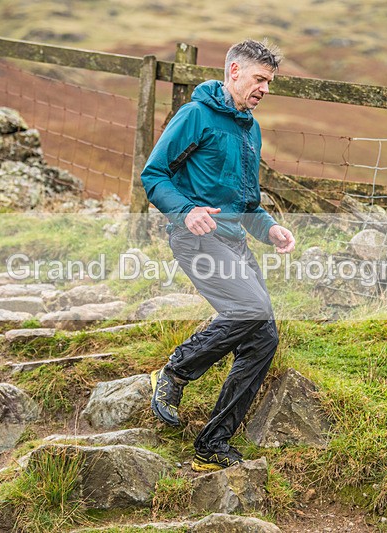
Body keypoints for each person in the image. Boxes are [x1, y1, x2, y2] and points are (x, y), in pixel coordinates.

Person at [141, 39, 295, 472]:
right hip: (194, 237)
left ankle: (212, 444)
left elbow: (247, 204)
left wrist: (271, 229)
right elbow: (153, 175)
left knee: (263, 336)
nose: (264, 88)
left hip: (233, 241)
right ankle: (173, 373)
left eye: (270, 82)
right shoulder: (196, 116)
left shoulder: (250, 127)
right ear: (233, 72)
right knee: (251, 307)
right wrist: (185, 211)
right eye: (259, 79)